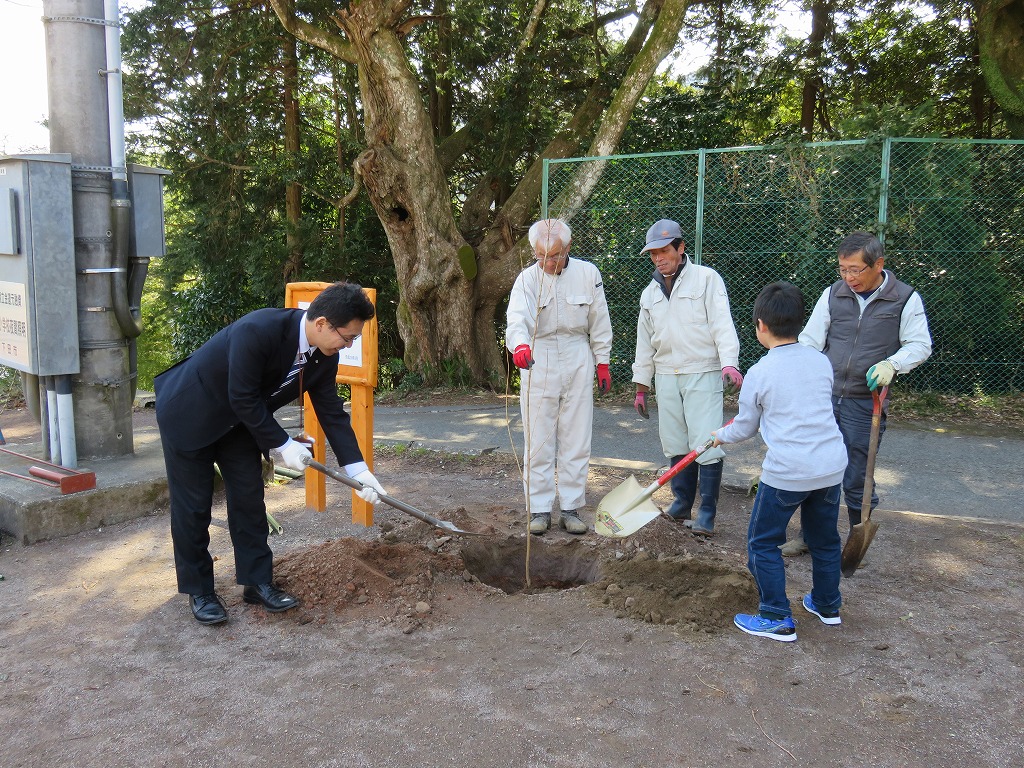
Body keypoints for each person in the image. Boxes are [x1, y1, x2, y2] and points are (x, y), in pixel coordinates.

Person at [155, 282, 387, 625]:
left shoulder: (325, 355)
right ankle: (200, 590)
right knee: (193, 507)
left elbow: (332, 413)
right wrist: (283, 444)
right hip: (191, 414)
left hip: (242, 423)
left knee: (249, 498)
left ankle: (256, 582)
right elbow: (242, 395)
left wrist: (358, 469)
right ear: (321, 323)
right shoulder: (258, 330)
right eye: (347, 336)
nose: (349, 344)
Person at [782, 231, 933, 557]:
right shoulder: (833, 294)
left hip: (866, 401)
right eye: (843, 269)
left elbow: (920, 345)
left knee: (856, 475)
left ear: (878, 264)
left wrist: (892, 364)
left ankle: (854, 545)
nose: (849, 277)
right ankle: (808, 537)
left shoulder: (905, 299)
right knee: (816, 468)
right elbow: (810, 340)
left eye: (855, 270)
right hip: (824, 396)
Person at [713, 282, 848, 642]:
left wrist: (718, 435)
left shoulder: (760, 372)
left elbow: (745, 427)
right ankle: (826, 604)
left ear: (760, 326)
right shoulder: (821, 361)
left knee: (762, 542)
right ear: (800, 323)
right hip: (830, 466)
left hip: (788, 472)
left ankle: (775, 616)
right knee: (825, 540)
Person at [631, 219, 742, 536]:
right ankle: (681, 503)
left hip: (702, 370)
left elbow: (722, 323)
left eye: (664, 251)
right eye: (653, 253)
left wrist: (729, 363)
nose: (658, 258)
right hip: (666, 375)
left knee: (706, 441)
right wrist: (642, 387)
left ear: (680, 248)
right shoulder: (649, 293)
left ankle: (707, 511)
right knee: (675, 440)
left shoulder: (706, 279)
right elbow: (644, 342)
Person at [506, 218, 613, 535]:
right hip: (539, 358)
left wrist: (602, 362)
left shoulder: (588, 274)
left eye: (553, 255)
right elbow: (515, 319)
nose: (547, 262)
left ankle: (571, 507)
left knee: (576, 437)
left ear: (567, 248)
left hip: (577, 354)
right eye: (541, 256)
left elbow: (599, 320)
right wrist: (521, 346)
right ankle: (539, 509)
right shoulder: (526, 280)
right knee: (538, 438)